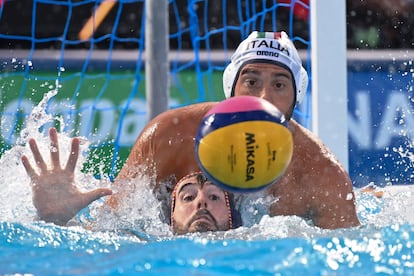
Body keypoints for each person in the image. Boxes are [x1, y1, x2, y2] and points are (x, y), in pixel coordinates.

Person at [22, 31, 360, 233]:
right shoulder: (169, 135)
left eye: (279, 84)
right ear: (232, 87)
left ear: (296, 96)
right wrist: (58, 219)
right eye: (252, 81)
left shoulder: (321, 176)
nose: (264, 97)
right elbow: (113, 232)